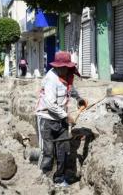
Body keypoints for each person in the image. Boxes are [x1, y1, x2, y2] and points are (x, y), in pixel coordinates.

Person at [36, 51, 87, 186]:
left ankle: (59, 178)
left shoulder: (67, 75)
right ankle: (43, 179)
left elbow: (70, 88)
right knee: (47, 151)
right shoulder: (51, 79)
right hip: (46, 118)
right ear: (56, 66)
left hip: (60, 119)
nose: (64, 70)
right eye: (62, 67)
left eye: (66, 67)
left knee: (62, 150)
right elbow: (50, 105)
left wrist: (79, 98)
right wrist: (67, 116)